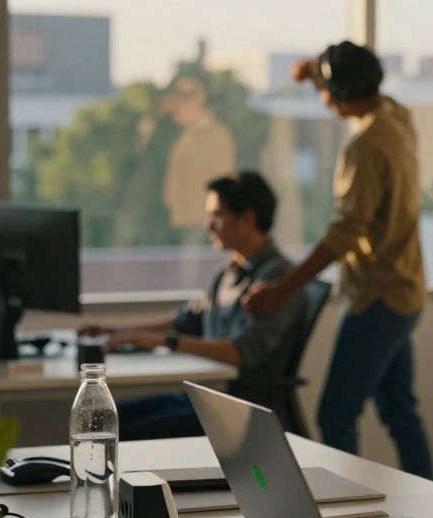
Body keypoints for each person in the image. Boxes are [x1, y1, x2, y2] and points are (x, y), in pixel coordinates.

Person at [242, 41, 433, 480]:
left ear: (343, 90)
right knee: (401, 413)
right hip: (405, 290)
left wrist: (282, 288)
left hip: (378, 298)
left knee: (335, 416)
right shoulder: (396, 117)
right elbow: (354, 82)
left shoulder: (364, 146)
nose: (321, 97)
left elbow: (345, 232)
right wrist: (317, 72)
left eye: (326, 89)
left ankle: (348, 514)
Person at [82, 171, 305, 441]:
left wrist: (165, 341)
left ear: (247, 217)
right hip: (204, 396)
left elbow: (241, 352)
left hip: (237, 408)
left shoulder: (277, 282)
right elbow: (187, 320)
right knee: (100, 416)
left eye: (217, 214)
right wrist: (115, 330)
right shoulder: (229, 273)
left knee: (119, 430)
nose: (209, 225)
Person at [163, 74, 236, 235]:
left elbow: (222, 187)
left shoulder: (216, 136)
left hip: (199, 226)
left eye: (185, 96)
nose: (176, 104)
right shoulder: (183, 136)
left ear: (200, 98)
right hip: (182, 224)